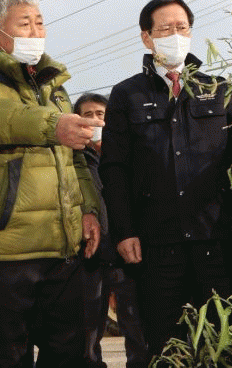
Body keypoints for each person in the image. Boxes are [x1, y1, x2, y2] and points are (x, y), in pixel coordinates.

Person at [0, 0, 103, 368]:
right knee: (4, 357)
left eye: (40, 23)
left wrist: (89, 210)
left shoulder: (54, 88)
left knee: (69, 354)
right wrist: (52, 125)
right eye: (25, 24)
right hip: (2, 252)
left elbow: (77, 161)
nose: (36, 32)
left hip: (63, 249)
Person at [99, 0, 232, 362]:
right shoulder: (127, 95)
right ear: (147, 37)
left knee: (226, 343)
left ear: (191, 32)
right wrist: (124, 231)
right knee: (167, 347)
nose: (175, 35)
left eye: (181, 27)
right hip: (155, 244)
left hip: (214, 239)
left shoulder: (218, 89)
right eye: (165, 28)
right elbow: (114, 168)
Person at [74, 93, 147, 368]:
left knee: (137, 329)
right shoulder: (72, 159)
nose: (95, 120)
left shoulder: (125, 156)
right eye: (88, 114)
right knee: (87, 334)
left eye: (100, 114)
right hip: (88, 258)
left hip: (125, 254)